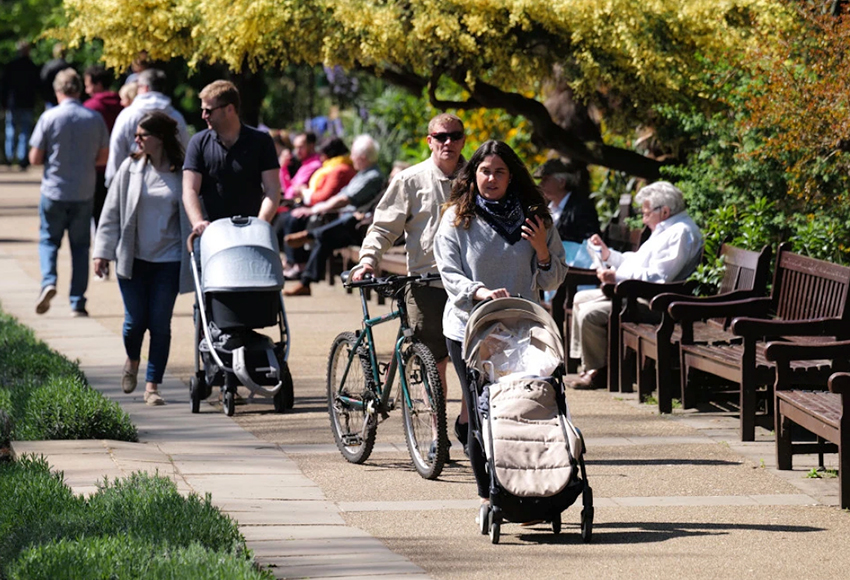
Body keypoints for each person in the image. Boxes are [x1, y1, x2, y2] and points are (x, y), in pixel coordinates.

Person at [434, 140, 567, 497]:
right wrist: (479, 293)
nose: (491, 178)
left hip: (523, 332)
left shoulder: (535, 217)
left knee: (524, 412)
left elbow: (553, 278)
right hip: (470, 329)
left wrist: (541, 249)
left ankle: (532, 487)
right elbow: (449, 273)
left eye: (499, 172)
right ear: (473, 174)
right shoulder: (457, 217)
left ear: (512, 176)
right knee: (483, 414)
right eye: (484, 171)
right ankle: (490, 495)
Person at [350, 113, 467, 453]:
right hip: (425, 283)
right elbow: (385, 226)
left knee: (474, 362)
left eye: (455, 136)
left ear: (462, 139)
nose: (448, 143)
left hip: (467, 284)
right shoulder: (410, 180)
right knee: (434, 362)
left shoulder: (476, 177)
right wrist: (368, 260)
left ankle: (464, 425)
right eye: (440, 136)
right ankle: (436, 436)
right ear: (429, 140)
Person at [92, 112, 191, 406]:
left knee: (160, 324)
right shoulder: (130, 167)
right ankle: (132, 360)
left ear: (159, 139)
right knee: (135, 323)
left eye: (142, 135)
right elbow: (110, 213)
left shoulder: (181, 172)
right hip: (133, 258)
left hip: (169, 260)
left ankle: (152, 387)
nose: (136, 140)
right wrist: (102, 252)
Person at [568, 181, 703, 390]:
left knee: (590, 313)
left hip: (657, 304)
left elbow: (659, 278)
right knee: (580, 299)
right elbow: (639, 262)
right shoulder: (666, 229)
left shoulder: (681, 233)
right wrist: (608, 255)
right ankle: (589, 364)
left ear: (665, 211)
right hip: (640, 295)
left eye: (647, 213)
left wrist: (617, 277)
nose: (644, 218)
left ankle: (598, 371)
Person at [28, 68, 109, 317]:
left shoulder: (49, 117)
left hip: (54, 190)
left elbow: (34, 157)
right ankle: (77, 301)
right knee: (80, 247)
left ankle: (49, 281)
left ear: (58, 90)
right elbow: (103, 156)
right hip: (84, 191)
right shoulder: (93, 118)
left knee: (49, 241)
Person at [282, 134, 385, 296]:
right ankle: (305, 283)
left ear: (363, 157)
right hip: (347, 224)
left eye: (353, 155)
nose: (350, 158)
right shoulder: (362, 174)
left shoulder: (373, 177)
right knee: (325, 239)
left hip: (360, 228)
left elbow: (344, 200)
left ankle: (311, 235)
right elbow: (339, 198)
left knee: (347, 220)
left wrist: (314, 210)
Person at [182, 79, 280, 235]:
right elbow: (190, 189)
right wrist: (197, 222)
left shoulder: (261, 141)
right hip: (210, 232)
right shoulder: (198, 142)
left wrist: (262, 222)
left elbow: (272, 188)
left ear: (229, 109)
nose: (203, 116)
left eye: (208, 110)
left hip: (250, 232)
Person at [279, 137, 356, 279]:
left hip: (326, 212)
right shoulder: (333, 167)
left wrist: (304, 193)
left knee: (293, 219)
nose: (320, 156)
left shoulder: (339, 170)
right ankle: (293, 263)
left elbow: (323, 196)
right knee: (289, 218)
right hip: (320, 208)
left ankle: (298, 266)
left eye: (323, 153)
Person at [105, 68, 189, 187]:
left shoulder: (127, 115)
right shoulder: (176, 116)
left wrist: (112, 182)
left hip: (133, 182)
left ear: (144, 88)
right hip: (169, 183)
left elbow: (117, 150)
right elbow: (184, 150)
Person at [83, 65, 123, 230]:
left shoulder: (90, 107)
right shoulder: (123, 104)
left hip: (96, 168)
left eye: (88, 85)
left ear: (98, 84)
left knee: (98, 214)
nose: (86, 90)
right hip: (120, 167)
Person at [533, 158, 600, 244]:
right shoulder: (547, 206)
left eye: (545, 179)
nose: (540, 184)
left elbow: (588, 242)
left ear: (561, 182)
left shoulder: (581, 209)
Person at [2, 41, 40, 169]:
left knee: (11, 130)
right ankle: (22, 158)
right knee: (24, 131)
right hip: (27, 103)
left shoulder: (11, 66)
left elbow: (4, 87)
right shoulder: (32, 66)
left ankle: (9, 157)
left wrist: (3, 103)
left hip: (13, 103)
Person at [282, 131, 322, 202]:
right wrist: (283, 167)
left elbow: (292, 193)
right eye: (295, 147)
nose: (297, 151)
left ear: (311, 146)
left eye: (300, 147)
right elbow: (288, 189)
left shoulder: (314, 165)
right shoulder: (306, 164)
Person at [39, 43, 72, 107]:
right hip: (66, 99)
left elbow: (42, 82)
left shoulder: (48, 66)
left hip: (51, 100)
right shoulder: (68, 67)